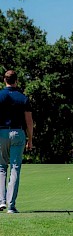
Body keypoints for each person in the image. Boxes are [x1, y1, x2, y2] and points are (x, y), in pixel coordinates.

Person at [0, 70, 33, 214]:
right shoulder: (22, 97)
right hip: (18, 133)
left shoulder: (0, 95)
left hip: (1, 132)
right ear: (16, 81)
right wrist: (30, 138)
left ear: (4, 80)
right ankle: (11, 206)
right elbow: (29, 121)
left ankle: (1, 201)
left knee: (1, 167)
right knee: (14, 168)